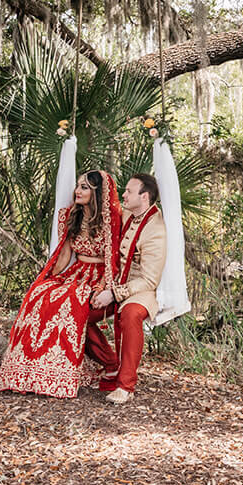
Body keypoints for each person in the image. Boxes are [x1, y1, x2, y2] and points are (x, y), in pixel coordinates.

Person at [0, 169, 122, 398]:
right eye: (78, 185)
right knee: (41, 295)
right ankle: (34, 371)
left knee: (72, 305)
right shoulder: (72, 216)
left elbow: (113, 258)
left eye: (84, 187)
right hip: (76, 272)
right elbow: (63, 256)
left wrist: (106, 288)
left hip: (101, 275)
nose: (77, 191)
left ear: (97, 193)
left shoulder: (110, 218)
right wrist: (47, 279)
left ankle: (109, 363)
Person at [84, 172, 166, 404]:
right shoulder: (129, 213)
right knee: (80, 313)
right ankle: (111, 365)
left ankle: (125, 385)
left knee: (130, 315)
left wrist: (113, 294)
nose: (124, 195)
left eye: (129, 191)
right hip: (114, 282)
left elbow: (149, 280)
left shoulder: (156, 230)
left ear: (145, 196)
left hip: (142, 289)